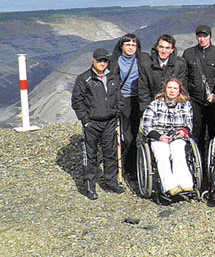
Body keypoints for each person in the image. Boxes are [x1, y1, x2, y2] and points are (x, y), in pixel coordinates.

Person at [71, 48, 125, 200]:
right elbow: (77, 101)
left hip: (110, 121)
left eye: (105, 60)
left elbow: (119, 96)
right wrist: (85, 120)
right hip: (92, 123)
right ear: (93, 60)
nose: (102, 63)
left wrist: (117, 111)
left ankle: (111, 182)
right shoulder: (84, 79)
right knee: (90, 155)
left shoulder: (113, 77)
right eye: (99, 60)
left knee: (111, 152)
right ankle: (89, 185)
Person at [141, 78, 194, 196]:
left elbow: (189, 123)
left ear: (179, 91)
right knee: (162, 155)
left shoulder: (185, 104)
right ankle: (170, 186)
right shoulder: (154, 104)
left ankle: (185, 183)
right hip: (159, 137)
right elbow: (146, 125)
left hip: (177, 136)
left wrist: (183, 131)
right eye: (169, 87)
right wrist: (159, 137)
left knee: (178, 152)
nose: (172, 91)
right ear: (165, 89)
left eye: (175, 88)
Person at [182, 25, 215, 157]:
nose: (202, 39)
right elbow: (184, 76)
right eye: (199, 36)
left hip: (214, 102)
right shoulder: (188, 53)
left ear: (210, 36)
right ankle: (198, 165)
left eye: (205, 36)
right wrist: (187, 97)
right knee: (197, 134)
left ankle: (214, 163)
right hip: (194, 101)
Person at [110, 33, 146, 176]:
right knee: (125, 135)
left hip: (137, 99)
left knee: (134, 133)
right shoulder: (114, 61)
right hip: (122, 100)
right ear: (121, 46)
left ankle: (131, 166)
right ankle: (127, 165)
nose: (131, 47)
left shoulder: (142, 60)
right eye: (128, 44)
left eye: (133, 45)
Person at [139, 34, 188, 113]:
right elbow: (143, 91)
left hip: (174, 108)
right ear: (157, 47)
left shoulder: (179, 64)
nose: (164, 51)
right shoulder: (146, 65)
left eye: (167, 48)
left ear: (172, 50)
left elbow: (181, 88)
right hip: (152, 107)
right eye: (161, 47)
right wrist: (147, 110)